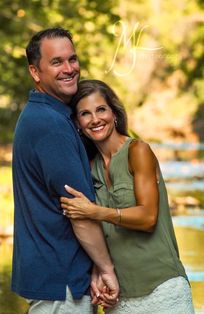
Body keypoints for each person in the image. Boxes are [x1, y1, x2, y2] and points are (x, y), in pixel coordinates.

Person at [60, 79, 195, 314]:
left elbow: (148, 217)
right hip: (119, 296)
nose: (95, 119)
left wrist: (95, 211)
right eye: (85, 113)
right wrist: (98, 272)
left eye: (101, 109)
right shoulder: (88, 168)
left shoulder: (138, 151)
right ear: (78, 123)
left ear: (114, 113)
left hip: (163, 287)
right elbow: (96, 231)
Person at [11, 29, 119, 314]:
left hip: (57, 278)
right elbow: (80, 211)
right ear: (35, 71)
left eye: (72, 59)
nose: (69, 68)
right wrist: (106, 267)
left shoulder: (51, 115)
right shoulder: (50, 124)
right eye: (57, 62)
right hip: (61, 283)